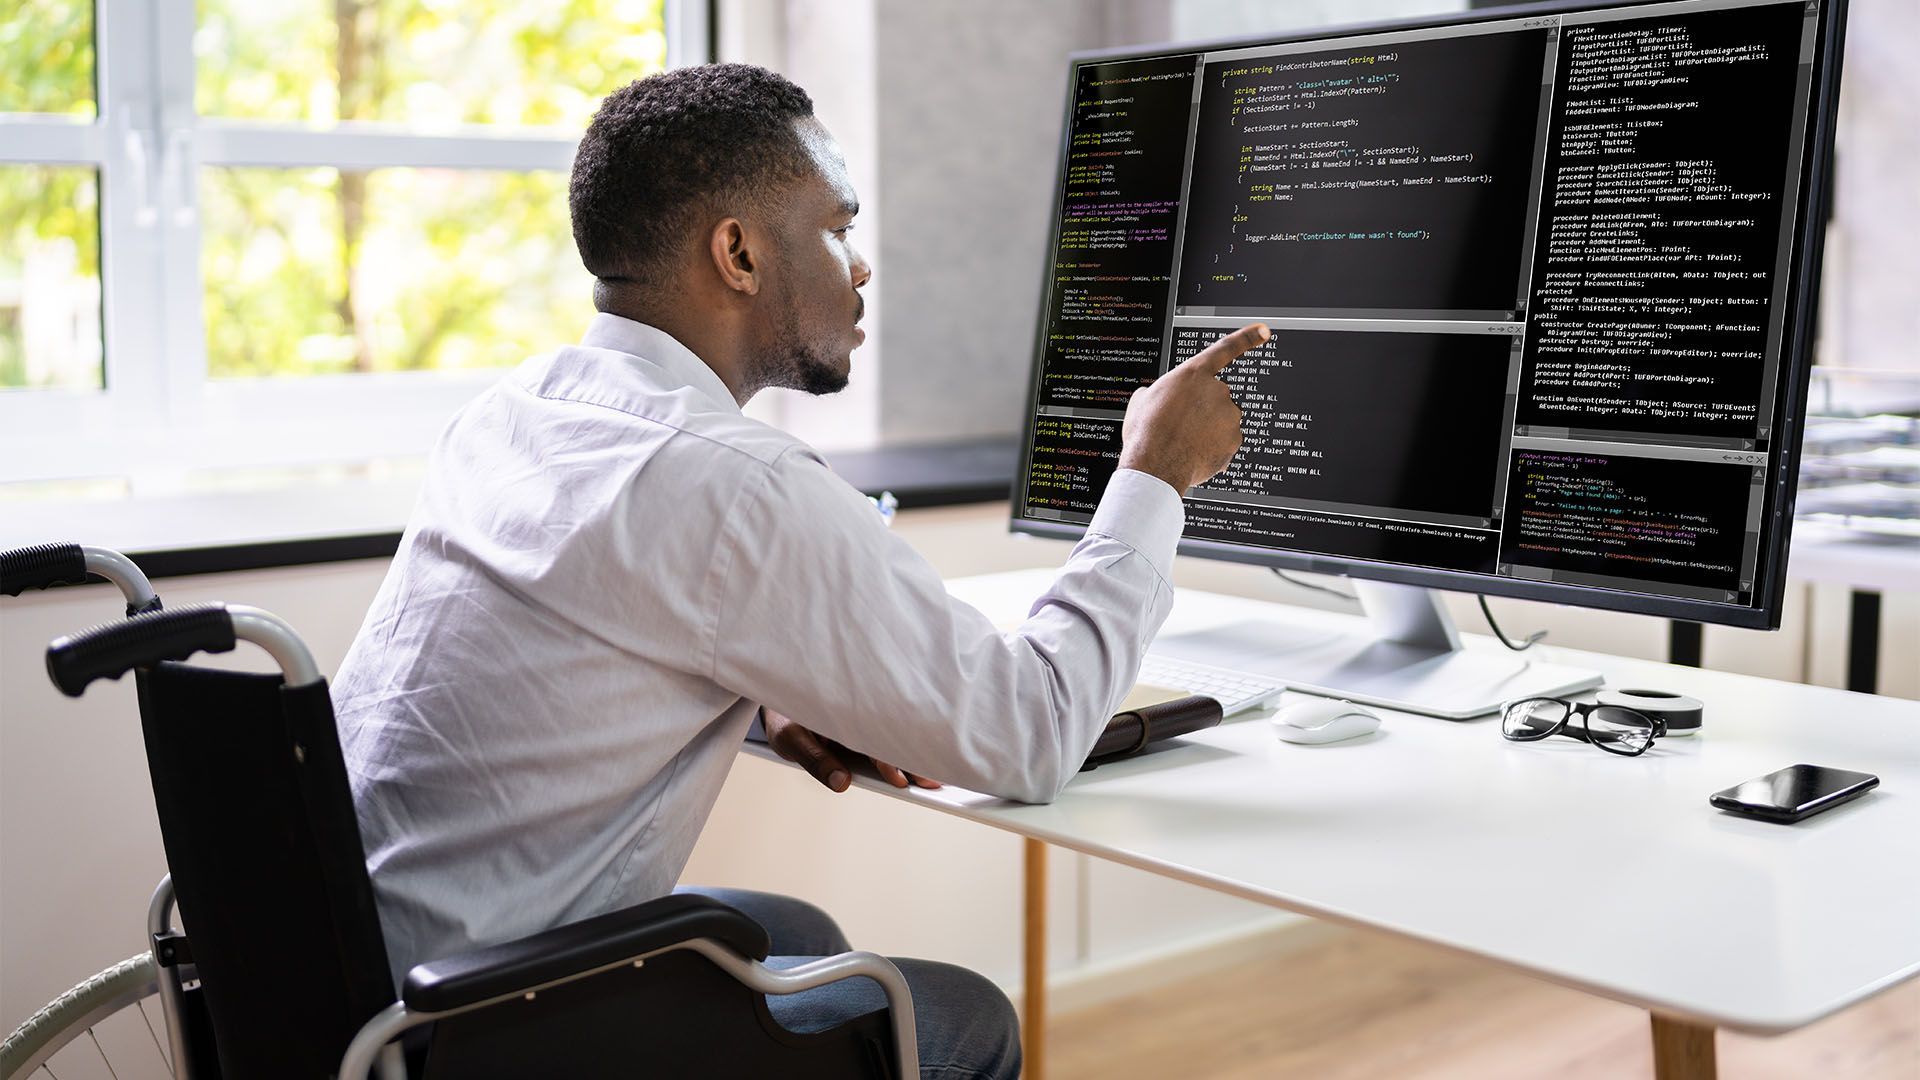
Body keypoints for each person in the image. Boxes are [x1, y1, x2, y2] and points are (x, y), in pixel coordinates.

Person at [331, 62, 1264, 1079]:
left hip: (341, 978)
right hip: (473, 1030)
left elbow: (578, 652)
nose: (860, 267)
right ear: (738, 253)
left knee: (797, 933)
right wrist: (1154, 474)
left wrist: (768, 683)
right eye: (837, 227)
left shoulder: (514, 413)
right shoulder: (731, 480)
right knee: (961, 1017)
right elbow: (1029, 730)